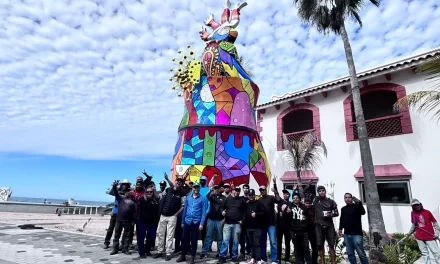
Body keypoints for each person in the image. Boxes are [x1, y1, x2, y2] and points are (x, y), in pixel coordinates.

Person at [154, 175, 186, 261]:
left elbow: (183, 205)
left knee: (170, 235)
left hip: (172, 216)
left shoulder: (182, 193)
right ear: (175, 182)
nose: (178, 182)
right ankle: (160, 251)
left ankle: (168, 253)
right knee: (160, 234)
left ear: (182, 183)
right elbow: (160, 197)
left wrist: (176, 214)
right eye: (177, 181)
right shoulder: (168, 189)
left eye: (180, 182)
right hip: (163, 215)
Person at [177, 183, 208, 264]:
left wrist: (201, 224)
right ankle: (183, 255)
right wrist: (183, 221)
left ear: (199, 189)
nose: (196, 189)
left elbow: (204, 212)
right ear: (192, 188)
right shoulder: (188, 197)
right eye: (195, 187)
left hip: (196, 222)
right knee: (184, 239)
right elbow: (185, 209)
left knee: (194, 240)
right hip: (187, 221)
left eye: (198, 187)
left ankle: (192, 257)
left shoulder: (203, 198)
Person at [406, 199, 440, 264]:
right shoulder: (412, 213)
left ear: (420, 204)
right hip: (419, 238)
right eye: (415, 205)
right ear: (413, 206)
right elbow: (414, 225)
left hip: (430, 237)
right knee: (425, 254)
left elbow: (435, 224)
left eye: (418, 204)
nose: (417, 206)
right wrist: (409, 233)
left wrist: (436, 233)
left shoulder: (427, 212)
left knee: (436, 253)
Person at [218, 186, 246, 264]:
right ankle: (222, 256)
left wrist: (242, 220)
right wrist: (222, 212)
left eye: (238, 191)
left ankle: (234, 256)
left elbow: (244, 212)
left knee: (235, 241)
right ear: (233, 191)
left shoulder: (242, 200)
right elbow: (221, 207)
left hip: (237, 224)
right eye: (235, 190)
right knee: (225, 241)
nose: (236, 192)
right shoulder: (228, 199)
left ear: (240, 192)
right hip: (227, 223)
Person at [338, 193, 368, 264]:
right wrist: (340, 228)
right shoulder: (343, 209)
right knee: (350, 254)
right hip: (347, 234)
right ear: (344, 199)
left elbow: (363, 212)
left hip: (357, 234)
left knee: (361, 254)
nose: (347, 199)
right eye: (346, 197)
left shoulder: (356, 206)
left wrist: (360, 203)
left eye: (349, 197)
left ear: (351, 198)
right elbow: (342, 219)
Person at [110, 180, 136, 255]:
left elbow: (134, 212)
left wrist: (133, 220)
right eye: (128, 191)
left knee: (127, 236)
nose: (129, 192)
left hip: (128, 221)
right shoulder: (120, 198)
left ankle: (125, 248)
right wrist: (114, 186)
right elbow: (115, 192)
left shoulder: (133, 201)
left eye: (130, 191)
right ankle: (115, 249)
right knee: (116, 235)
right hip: (119, 220)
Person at [259, 176, 281, 264]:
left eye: (263, 189)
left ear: (265, 190)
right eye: (260, 190)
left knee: (273, 243)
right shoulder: (259, 200)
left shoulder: (271, 197)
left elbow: (278, 200)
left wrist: (275, 191)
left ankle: (274, 260)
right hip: (262, 225)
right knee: (262, 242)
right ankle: (263, 259)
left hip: (271, 224)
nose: (262, 191)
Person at [314, 186, 339, 264]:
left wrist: (331, 214)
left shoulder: (331, 201)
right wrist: (309, 184)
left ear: (325, 191)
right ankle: (322, 262)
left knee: (331, 245)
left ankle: (333, 262)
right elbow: (304, 193)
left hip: (329, 226)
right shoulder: (316, 200)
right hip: (319, 226)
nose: (322, 192)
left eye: (323, 190)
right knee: (320, 246)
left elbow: (337, 213)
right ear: (318, 192)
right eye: (320, 191)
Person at [201, 184, 226, 259]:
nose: (216, 190)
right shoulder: (212, 196)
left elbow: (226, 208)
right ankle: (204, 252)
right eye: (215, 189)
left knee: (220, 238)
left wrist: (224, 219)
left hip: (219, 220)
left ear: (220, 189)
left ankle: (221, 253)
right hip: (211, 220)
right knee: (208, 237)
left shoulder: (224, 198)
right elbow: (206, 195)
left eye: (217, 188)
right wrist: (210, 190)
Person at [286, 192, 311, 264]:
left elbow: (308, 217)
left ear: (299, 199)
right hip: (293, 230)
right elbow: (284, 218)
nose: (295, 199)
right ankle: (299, 262)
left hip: (303, 230)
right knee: (297, 248)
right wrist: (287, 213)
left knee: (306, 247)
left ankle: (308, 262)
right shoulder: (289, 206)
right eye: (293, 198)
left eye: (297, 198)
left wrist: (305, 218)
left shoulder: (304, 206)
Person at [136, 187, 160, 258]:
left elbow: (158, 200)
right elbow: (137, 198)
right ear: (145, 193)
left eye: (151, 192)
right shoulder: (142, 199)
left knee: (151, 237)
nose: (149, 193)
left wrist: (154, 191)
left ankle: (147, 250)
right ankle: (141, 252)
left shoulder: (155, 201)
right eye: (147, 192)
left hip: (152, 222)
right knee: (141, 237)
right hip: (142, 221)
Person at [245, 189, 265, 264]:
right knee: (251, 244)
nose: (251, 196)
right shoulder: (246, 204)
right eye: (249, 195)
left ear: (254, 195)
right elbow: (244, 214)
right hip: (249, 227)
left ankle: (258, 259)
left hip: (257, 227)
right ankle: (253, 258)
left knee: (257, 243)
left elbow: (263, 213)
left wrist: (256, 214)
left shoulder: (259, 203)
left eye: (252, 195)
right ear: (248, 196)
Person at [276, 189, 292, 263]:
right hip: (279, 226)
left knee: (287, 244)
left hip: (288, 227)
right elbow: (276, 195)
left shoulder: (291, 203)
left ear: (289, 195)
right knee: (278, 243)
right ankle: (278, 258)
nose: (285, 195)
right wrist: (275, 185)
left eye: (287, 194)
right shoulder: (280, 201)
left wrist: (289, 211)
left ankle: (287, 259)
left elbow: (291, 213)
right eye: (284, 194)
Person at [240, 184, 251, 259]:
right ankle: (242, 252)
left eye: (247, 188)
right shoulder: (240, 198)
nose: (246, 189)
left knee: (249, 238)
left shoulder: (251, 198)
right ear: (243, 189)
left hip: (249, 221)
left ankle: (248, 251)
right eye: (245, 188)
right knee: (241, 238)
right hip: (242, 221)